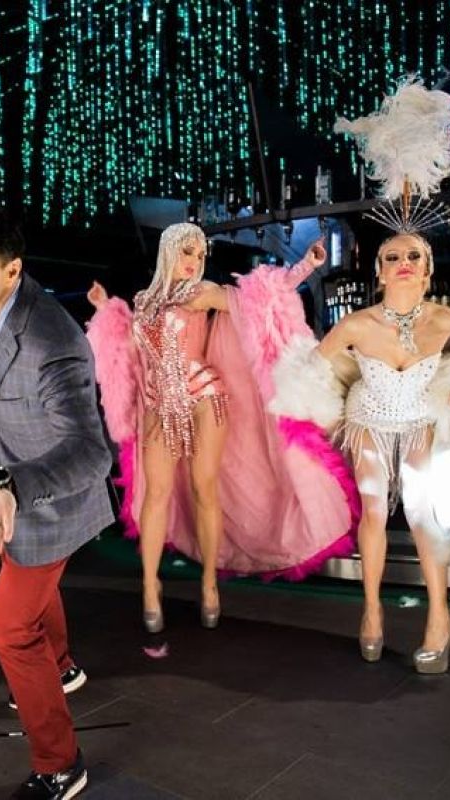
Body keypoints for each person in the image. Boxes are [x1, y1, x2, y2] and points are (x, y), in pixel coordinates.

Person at [272, 77, 450, 672]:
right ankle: (371, 611)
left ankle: (438, 620)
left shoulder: (446, 318)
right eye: (392, 256)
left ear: (427, 271)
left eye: (413, 256)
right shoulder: (357, 325)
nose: (402, 262)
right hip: (369, 424)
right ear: (378, 271)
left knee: (423, 516)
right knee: (373, 511)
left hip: (422, 425)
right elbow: (311, 369)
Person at [86, 224, 358, 633]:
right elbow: (130, 355)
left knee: (204, 489)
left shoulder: (201, 292)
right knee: (155, 494)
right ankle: (149, 586)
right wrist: (105, 310)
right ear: (167, 251)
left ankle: (210, 584)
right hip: (158, 406)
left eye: (199, 255)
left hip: (204, 397)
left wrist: (306, 266)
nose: (194, 262)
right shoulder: (143, 302)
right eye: (186, 252)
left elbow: (261, 299)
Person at [0, 205, 112, 800]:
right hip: (6, 484)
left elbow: (91, 452)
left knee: (10, 630)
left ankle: (61, 765)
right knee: (32, 587)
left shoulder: (53, 340)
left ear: (12, 271)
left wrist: (10, 488)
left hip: (51, 500)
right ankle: (61, 667)